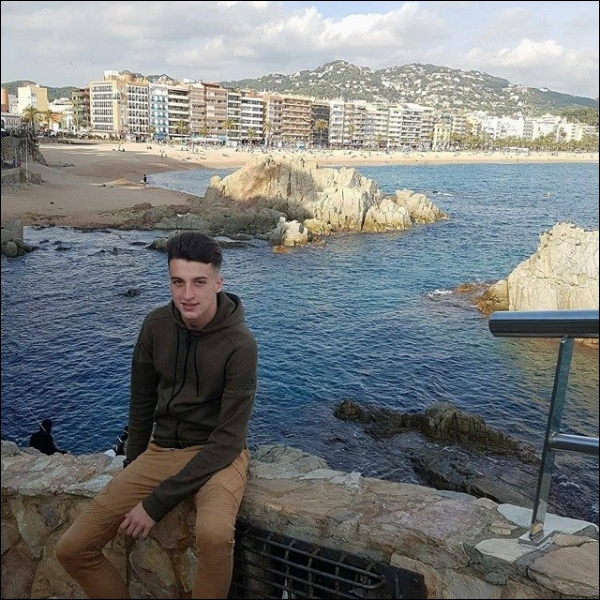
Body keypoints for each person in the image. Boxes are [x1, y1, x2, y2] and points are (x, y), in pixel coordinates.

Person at [56, 231, 258, 599]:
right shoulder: (155, 326)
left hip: (218, 457)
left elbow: (229, 439)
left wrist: (155, 503)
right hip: (161, 450)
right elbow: (141, 404)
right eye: (178, 282)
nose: (187, 294)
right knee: (72, 548)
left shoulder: (240, 344)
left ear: (218, 283)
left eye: (199, 282)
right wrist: (132, 468)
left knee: (214, 535)